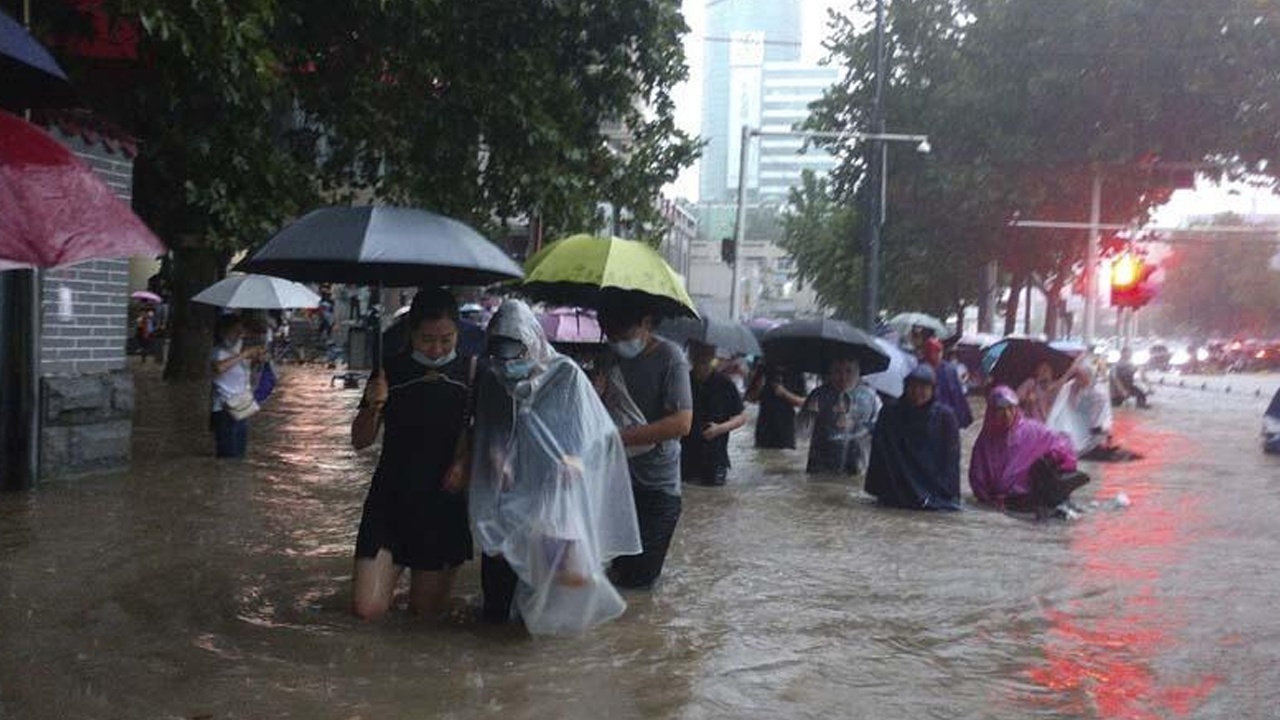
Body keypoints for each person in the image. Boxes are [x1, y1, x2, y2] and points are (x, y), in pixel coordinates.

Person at [470, 300, 641, 634]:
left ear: (533, 344)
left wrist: (576, 458)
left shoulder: (567, 376)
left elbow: (595, 433)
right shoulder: (493, 378)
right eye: (500, 358)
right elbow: (490, 428)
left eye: (516, 357)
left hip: (552, 499)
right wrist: (494, 454)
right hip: (508, 496)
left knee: (558, 585)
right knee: (497, 601)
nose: (507, 367)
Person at [349, 288, 475, 620]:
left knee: (424, 617)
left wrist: (465, 464)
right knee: (368, 610)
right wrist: (373, 408)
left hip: (442, 504)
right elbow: (360, 441)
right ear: (411, 333)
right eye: (427, 339)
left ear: (458, 333)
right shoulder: (388, 371)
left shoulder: (473, 373)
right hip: (390, 500)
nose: (436, 348)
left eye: (446, 339)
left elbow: (486, 436)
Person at [597, 302, 693, 590]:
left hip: (658, 488)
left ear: (646, 322)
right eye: (609, 334)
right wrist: (595, 394)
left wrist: (621, 437)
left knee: (640, 581)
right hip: (618, 482)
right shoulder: (608, 357)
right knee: (616, 573)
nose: (617, 341)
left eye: (623, 333)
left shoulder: (670, 357)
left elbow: (682, 423)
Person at [970, 386, 1091, 519]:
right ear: (992, 412)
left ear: (1016, 408)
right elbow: (977, 478)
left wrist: (1052, 457)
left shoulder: (1032, 430)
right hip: (1004, 505)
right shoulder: (984, 442)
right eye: (1001, 410)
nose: (1007, 414)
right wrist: (989, 500)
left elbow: (1064, 446)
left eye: (1011, 408)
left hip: (1032, 500)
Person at [864, 364, 962, 510]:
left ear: (932, 389)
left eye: (923, 387)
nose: (917, 392)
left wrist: (948, 494)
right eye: (913, 386)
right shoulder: (890, 413)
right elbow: (880, 454)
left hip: (932, 491)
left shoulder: (945, 417)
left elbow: (951, 461)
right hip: (896, 489)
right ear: (905, 387)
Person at [681, 341, 748, 487]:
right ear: (691, 355)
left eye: (706, 353)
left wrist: (719, 429)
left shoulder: (725, 384)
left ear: (712, 355)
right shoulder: (682, 381)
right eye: (697, 352)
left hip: (716, 458)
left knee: (713, 497)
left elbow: (741, 417)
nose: (701, 358)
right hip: (686, 455)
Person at [801, 357, 882, 475]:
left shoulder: (871, 398)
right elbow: (801, 434)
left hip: (857, 467)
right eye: (837, 371)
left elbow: (880, 431)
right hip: (820, 468)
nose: (843, 377)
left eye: (849, 371)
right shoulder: (818, 395)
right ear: (830, 372)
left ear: (858, 372)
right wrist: (809, 414)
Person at [1047, 364, 1143, 461]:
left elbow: (1099, 416)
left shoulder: (1097, 392)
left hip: (1089, 427)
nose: (1083, 382)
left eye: (1085, 379)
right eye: (1080, 379)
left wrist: (1098, 430)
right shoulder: (1068, 387)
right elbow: (1062, 408)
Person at [209, 314, 265, 458]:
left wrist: (257, 361)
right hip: (224, 408)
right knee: (228, 455)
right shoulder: (218, 351)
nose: (239, 336)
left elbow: (247, 378)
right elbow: (219, 368)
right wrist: (244, 354)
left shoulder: (237, 351)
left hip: (241, 407)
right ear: (224, 331)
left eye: (241, 332)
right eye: (235, 332)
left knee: (239, 455)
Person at [745, 359, 806, 449]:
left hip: (785, 427)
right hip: (764, 427)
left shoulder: (796, 371)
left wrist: (784, 393)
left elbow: (803, 402)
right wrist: (759, 386)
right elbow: (750, 398)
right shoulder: (763, 368)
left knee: (785, 458)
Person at [921, 337, 973, 428]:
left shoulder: (949, 369)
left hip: (946, 414)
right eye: (934, 351)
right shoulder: (921, 368)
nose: (937, 354)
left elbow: (957, 394)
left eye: (939, 351)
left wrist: (963, 416)